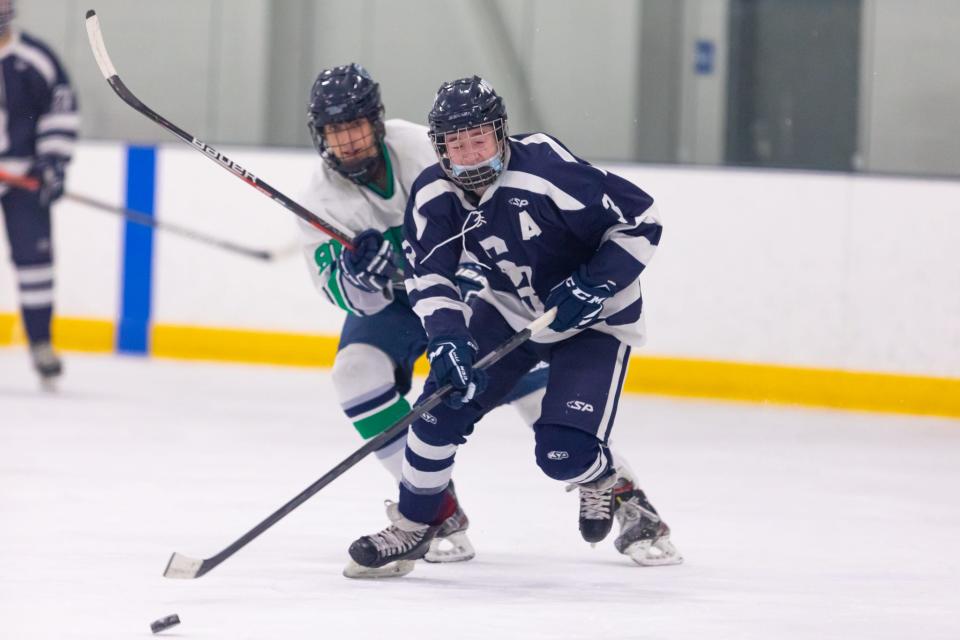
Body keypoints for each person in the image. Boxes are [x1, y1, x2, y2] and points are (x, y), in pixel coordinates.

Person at [347, 76, 682, 576]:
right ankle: (416, 525)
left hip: (596, 321)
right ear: (439, 147)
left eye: (478, 138)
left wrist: (594, 284)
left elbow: (641, 220)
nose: (468, 155)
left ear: (501, 132)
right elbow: (430, 275)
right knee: (437, 411)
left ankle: (605, 480)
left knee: (564, 454)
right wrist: (446, 340)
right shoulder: (434, 193)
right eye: (454, 144)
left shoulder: (547, 169)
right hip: (508, 309)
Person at [298, 65, 547, 577]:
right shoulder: (318, 200)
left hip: (460, 291)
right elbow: (343, 296)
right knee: (354, 373)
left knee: (534, 389)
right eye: (334, 130)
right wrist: (358, 275)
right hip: (393, 307)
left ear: (377, 121)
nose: (346, 141)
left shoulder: (422, 150)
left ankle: (623, 495)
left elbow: (486, 212)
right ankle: (434, 509)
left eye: (355, 126)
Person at [0, 0, 78, 389]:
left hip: (22, 181)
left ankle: (41, 344)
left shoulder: (36, 59)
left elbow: (60, 111)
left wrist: (52, 163)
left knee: (36, 265)